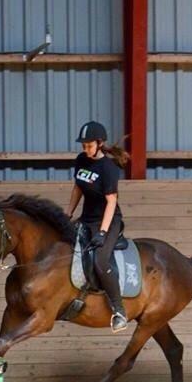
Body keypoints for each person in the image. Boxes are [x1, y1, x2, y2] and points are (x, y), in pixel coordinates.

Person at [65, 121, 131, 333]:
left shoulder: (108, 168)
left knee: (100, 260)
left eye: (89, 145)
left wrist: (102, 232)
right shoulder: (81, 160)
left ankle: (119, 311)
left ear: (99, 143)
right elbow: (77, 188)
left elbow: (111, 201)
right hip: (86, 218)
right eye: (83, 145)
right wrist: (68, 214)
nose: (86, 149)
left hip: (109, 220)